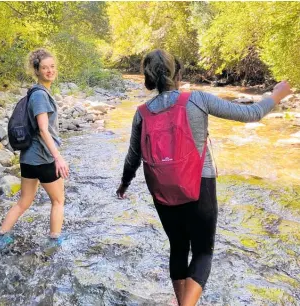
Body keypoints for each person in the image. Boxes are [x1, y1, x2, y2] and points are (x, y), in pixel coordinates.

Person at [116, 49, 292, 306]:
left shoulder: (142, 112)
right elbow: (250, 114)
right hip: (200, 185)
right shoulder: (197, 99)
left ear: (149, 77)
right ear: (178, 72)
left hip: (162, 189)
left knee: (177, 248)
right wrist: (275, 96)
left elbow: (133, 156)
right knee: (202, 252)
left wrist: (124, 184)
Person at [0, 48, 69, 250]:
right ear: (37, 71)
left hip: (28, 158)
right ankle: (54, 242)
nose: (50, 71)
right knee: (58, 201)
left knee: (24, 201)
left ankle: (0, 236)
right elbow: (42, 129)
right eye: (44, 68)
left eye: (52, 67)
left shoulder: (35, 92)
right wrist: (58, 157)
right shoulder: (40, 96)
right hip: (43, 157)